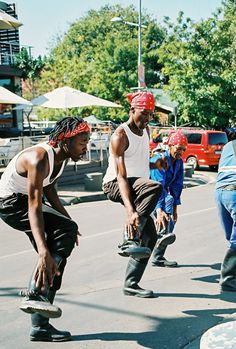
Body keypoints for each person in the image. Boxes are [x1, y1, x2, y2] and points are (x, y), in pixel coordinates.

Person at [0, 116, 90, 342]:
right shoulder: (39, 158)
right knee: (49, 251)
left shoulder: (62, 158)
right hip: (10, 203)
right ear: (65, 141)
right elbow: (34, 205)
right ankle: (36, 295)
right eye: (82, 142)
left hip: (25, 202)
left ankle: (40, 326)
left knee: (56, 256)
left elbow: (50, 192)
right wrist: (43, 249)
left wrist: (68, 220)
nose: (86, 147)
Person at [102, 91, 163, 298]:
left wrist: (154, 163)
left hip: (136, 184)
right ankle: (130, 236)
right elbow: (121, 175)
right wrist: (131, 212)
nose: (146, 119)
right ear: (132, 110)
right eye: (143, 113)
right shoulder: (120, 135)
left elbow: (136, 163)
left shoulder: (145, 131)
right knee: (155, 187)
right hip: (115, 183)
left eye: (150, 115)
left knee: (151, 238)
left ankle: (131, 283)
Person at [150, 131, 188, 268]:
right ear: (170, 146)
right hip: (148, 192)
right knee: (166, 205)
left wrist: (175, 210)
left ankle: (158, 255)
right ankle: (160, 234)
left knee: (171, 218)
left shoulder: (178, 162)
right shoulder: (159, 159)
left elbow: (177, 185)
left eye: (184, 150)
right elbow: (157, 186)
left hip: (163, 194)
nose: (181, 153)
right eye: (178, 149)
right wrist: (159, 211)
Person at [215, 135, 236, 292]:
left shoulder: (228, 146)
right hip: (234, 193)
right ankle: (228, 280)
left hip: (220, 194)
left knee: (231, 239)